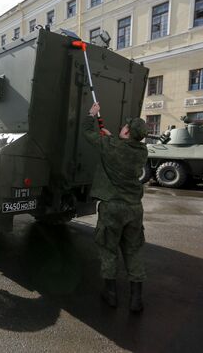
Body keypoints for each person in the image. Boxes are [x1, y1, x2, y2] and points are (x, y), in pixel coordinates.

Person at [83, 102, 149, 313]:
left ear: (127, 132)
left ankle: (111, 294)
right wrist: (111, 138)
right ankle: (136, 299)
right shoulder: (142, 151)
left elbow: (86, 132)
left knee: (109, 249)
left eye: (125, 126)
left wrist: (91, 115)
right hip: (134, 209)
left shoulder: (110, 145)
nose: (122, 127)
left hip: (112, 208)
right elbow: (121, 148)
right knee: (133, 250)